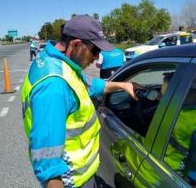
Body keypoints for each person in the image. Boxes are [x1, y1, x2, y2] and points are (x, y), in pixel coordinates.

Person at [21, 15, 139, 188]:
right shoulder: (54, 86)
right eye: (94, 51)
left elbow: (87, 84)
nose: (97, 57)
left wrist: (122, 85)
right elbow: (47, 163)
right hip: (72, 181)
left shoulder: (57, 62)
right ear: (75, 44)